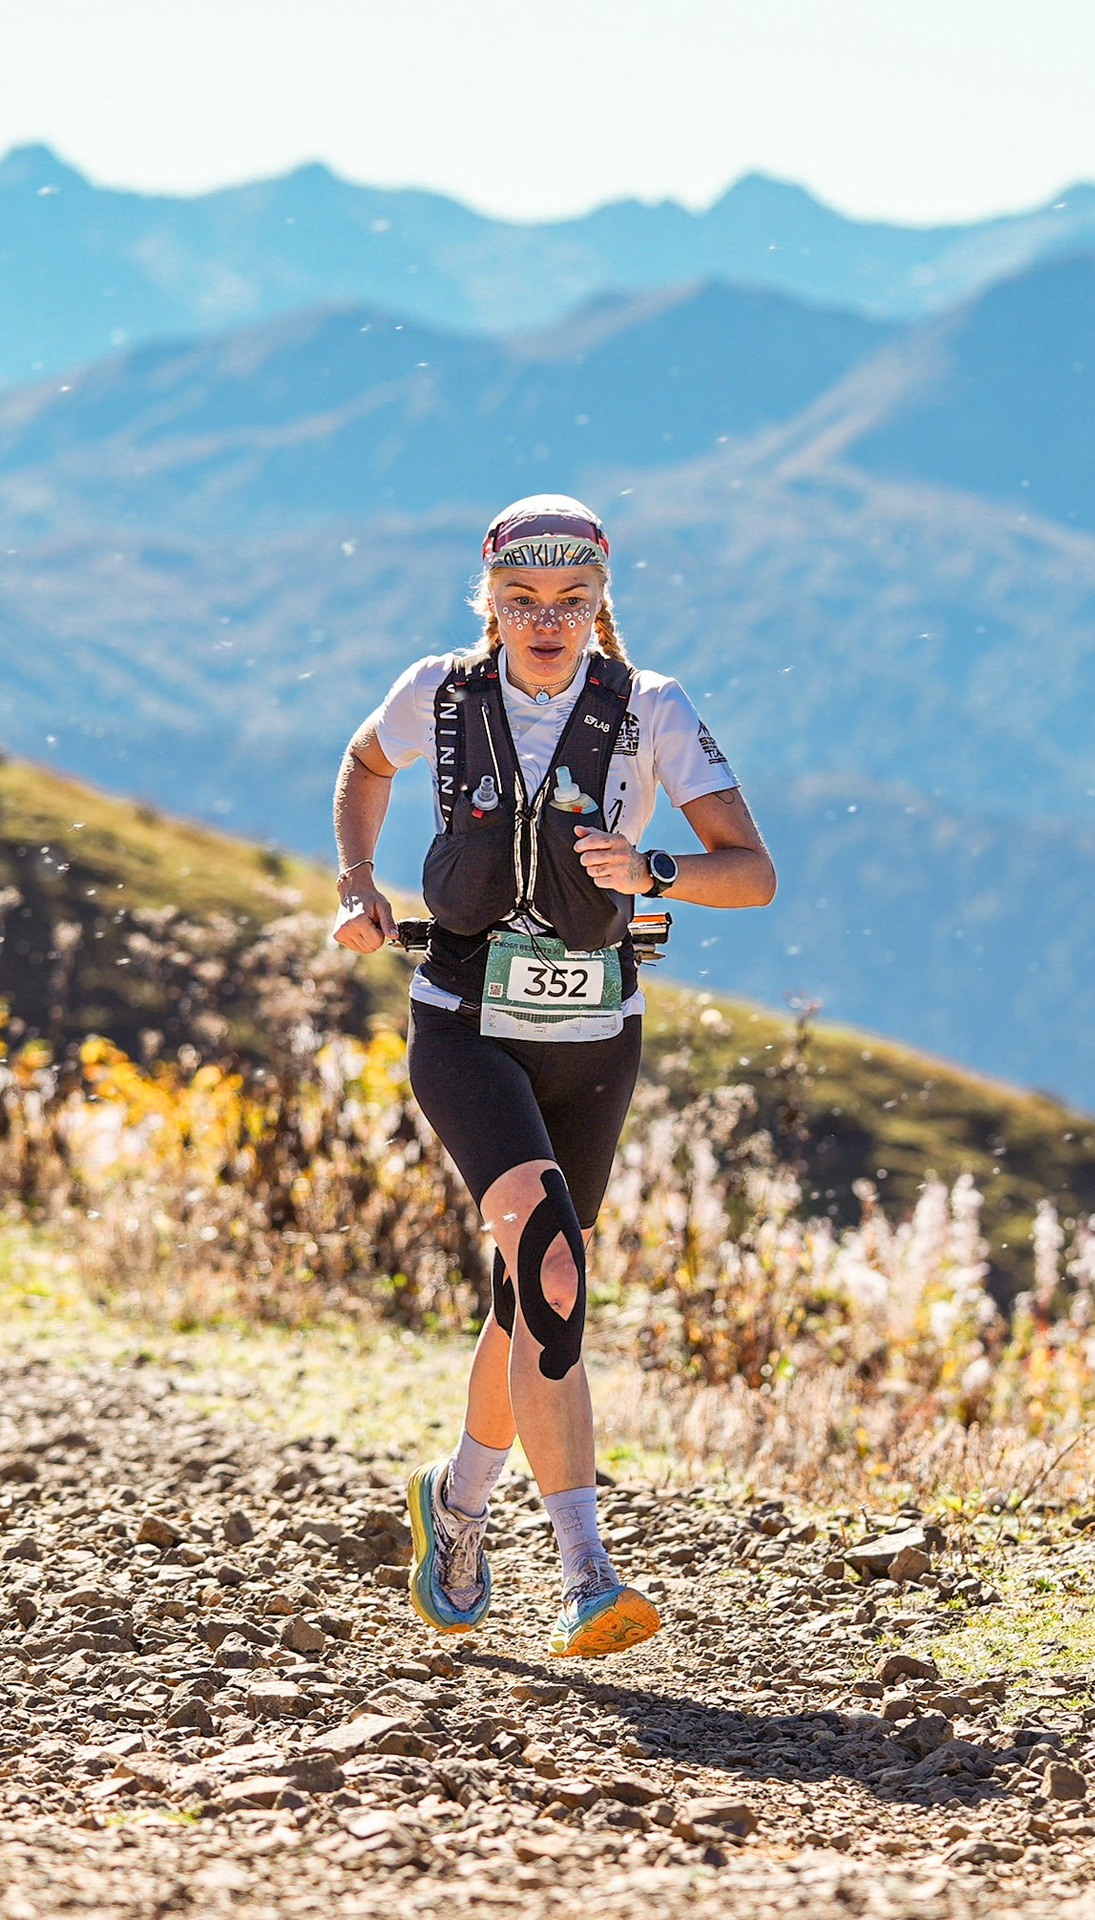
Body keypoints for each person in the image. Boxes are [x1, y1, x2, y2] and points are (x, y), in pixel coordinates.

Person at [330, 494, 775, 1657]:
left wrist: (655, 867)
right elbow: (360, 762)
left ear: (598, 606)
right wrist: (356, 883)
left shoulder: (651, 711)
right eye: (522, 602)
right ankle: (586, 1573)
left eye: (570, 603)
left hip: (595, 1035)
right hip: (462, 1023)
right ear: (489, 602)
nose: (546, 622)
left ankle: (458, 1505)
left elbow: (753, 873)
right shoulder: (436, 691)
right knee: (551, 1260)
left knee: (538, 1296)